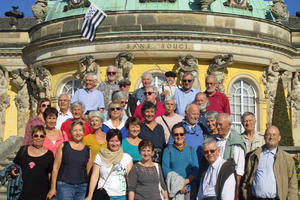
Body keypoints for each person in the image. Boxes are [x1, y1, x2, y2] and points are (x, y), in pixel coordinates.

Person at [241, 126, 298, 200]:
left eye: (274, 135)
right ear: (264, 137)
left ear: (279, 138)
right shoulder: (254, 156)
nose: (271, 137)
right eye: (268, 134)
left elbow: (292, 185)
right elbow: (246, 180)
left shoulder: (287, 159)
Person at [47, 120, 93, 200]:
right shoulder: (64, 146)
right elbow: (55, 168)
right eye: (75, 130)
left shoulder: (87, 150)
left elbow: (88, 171)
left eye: (80, 130)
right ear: (70, 132)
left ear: (83, 132)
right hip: (64, 186)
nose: (78, 133)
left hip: (82, 187)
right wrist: (53, 188)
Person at [85, 129, 133, 200]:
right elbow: (94, 176)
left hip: (121, 195)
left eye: (117, 141)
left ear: (120, 142)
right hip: (104, 195)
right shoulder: (100, 155)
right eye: (111, 141)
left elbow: (129, 179)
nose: (114, 144)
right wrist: (90, 195)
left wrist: (131, 197)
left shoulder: (127, 158)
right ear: (107, 141)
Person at [12, 125, 54, 200]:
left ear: (45, 137)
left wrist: (52, 189)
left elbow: (50, 174)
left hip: (42, 192)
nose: (38, 138)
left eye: (41, 136)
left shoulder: (49, 154)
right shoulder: (23, 150)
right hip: (22, 192)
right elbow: (15, 166)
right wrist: (13, 171)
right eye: (36, 135)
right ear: (32, 137)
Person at [162, 123, 199, 200]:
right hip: (174, 189)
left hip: (190, 188)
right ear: (172, 136)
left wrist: (184, 183)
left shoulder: (191, 150)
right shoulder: (167, 150)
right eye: (176, 134)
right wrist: (178, 185)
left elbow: (196, 169)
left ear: (184, 135)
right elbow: (166, 170)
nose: (179, 137)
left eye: (181, 134)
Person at [215, 113, 245, 185]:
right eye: (217, 124)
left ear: (229, 125)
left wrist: (236, 188)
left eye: (220, 124)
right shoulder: (214, 140)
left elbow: (239, 168)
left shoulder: (236, 141)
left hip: (229, 182)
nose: (218, 127)